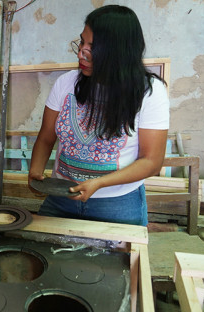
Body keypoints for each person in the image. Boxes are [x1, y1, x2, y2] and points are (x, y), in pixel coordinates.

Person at [28, 5, 169, 226]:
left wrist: (99, 183)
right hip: (61, 197)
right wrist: (35, 172)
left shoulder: (149, 92)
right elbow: (46, 137)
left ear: (118, 52)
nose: (81, 53)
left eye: (92, 47)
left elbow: (151, 162)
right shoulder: (66, 83)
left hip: (118, 204)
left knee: (117, 260)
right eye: (81, 42)